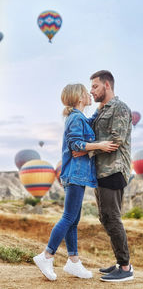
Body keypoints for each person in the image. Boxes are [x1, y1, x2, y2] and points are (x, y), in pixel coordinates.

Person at [33, 83, 119, 281]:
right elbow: (75, 144)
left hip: (77, 174)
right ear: (79, 97)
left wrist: (101, 107)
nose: (89, 94)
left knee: (74, 219)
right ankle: (47, 255)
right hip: (75, 173)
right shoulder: (74, 118)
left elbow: (87, 125)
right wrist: (100, 145)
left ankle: (73, 262)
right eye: (85, 92)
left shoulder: (79, 117)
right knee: (68, 217)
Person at [73, 71, 134, 282]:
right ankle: (120, 261)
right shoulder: (100, 111)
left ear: (107, 85)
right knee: (105, 217)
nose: (92, 91)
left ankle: (125, 268)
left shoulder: (120, 108)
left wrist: (87, 150)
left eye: (95, 86)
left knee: (112, 217)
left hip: (114, 170)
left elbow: (116, 140)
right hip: (100, 170)